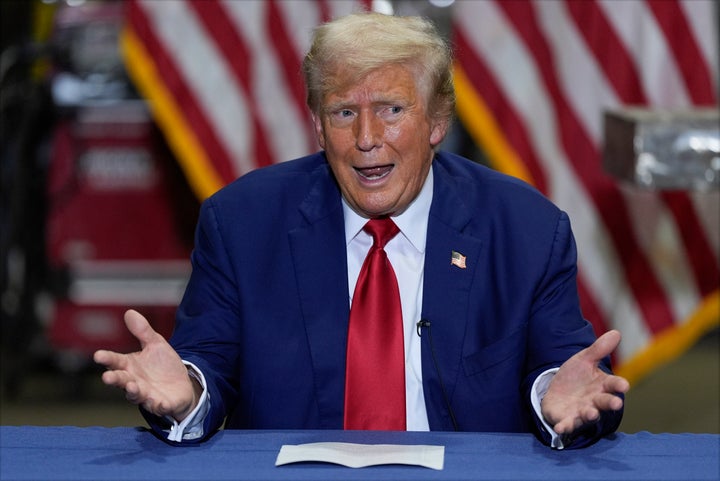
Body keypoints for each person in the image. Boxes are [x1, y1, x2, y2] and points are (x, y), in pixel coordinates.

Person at [94, 11, 629, 449]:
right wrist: (189, 392)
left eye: (392, 110)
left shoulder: (525, 229)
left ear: (438, 120)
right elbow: (208, 363)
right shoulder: (242, 223)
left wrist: (554, 396)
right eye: (344, 112)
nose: (367, 138)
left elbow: (564, 371)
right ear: (319, 127)